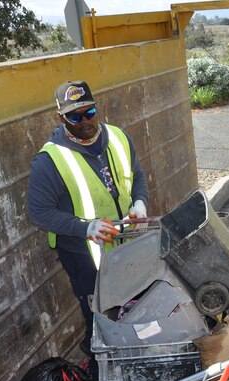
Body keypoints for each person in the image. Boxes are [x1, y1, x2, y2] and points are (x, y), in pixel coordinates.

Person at [28, 80, 149, 358]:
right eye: (74, 116)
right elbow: (39, 212)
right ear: (61, 118)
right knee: (99, 315)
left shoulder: (118, 137)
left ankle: (130, 352)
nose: (84, 121)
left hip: (123, 243)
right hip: (84, 254)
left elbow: (137, 175)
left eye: (89, 112)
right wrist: (86, 228)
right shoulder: (50, 160)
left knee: (130, 304)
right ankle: (100, 365)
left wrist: (139, 204)